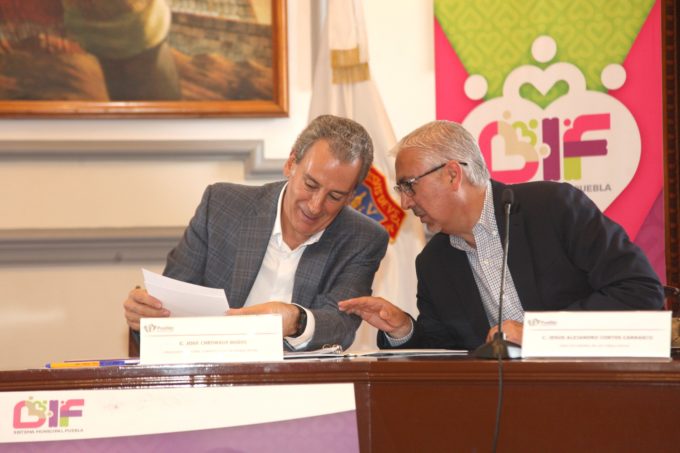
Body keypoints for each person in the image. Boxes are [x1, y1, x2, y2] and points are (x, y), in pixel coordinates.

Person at [339, 120, 664, 350]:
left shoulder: (553, 208)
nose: (405, 203)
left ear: (452, 174)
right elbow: (445, 350)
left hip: (594, 392)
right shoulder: (434, 262)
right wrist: (403, 329)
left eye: (409, 186)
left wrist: (539, 334)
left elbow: (640, 292)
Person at [124, 114, 389, 350]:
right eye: (310, 185)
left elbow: (340, 326)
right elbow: (170, 308)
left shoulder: (363, 238)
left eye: (335, 196)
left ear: (351, 196)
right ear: (291, 164)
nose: (315, 205)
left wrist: (296, 320)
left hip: (301, 383)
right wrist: (144, 318)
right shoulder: (222, 206)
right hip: (212, 375)